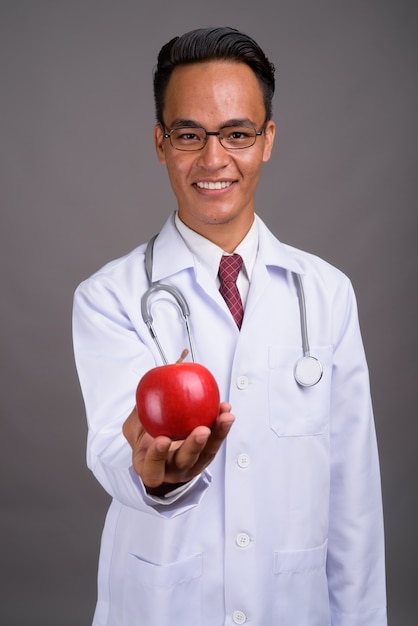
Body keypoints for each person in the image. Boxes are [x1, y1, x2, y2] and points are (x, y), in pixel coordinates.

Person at [72, 26, 387, 626]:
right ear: (161, 143)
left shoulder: (326, 294)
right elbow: (115, 449)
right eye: (189, 135)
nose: (213, 159)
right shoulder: (110, 297)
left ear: (267, 141)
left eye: (237, 134)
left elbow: (354, 503)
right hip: (164, 608)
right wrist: (153, 474)